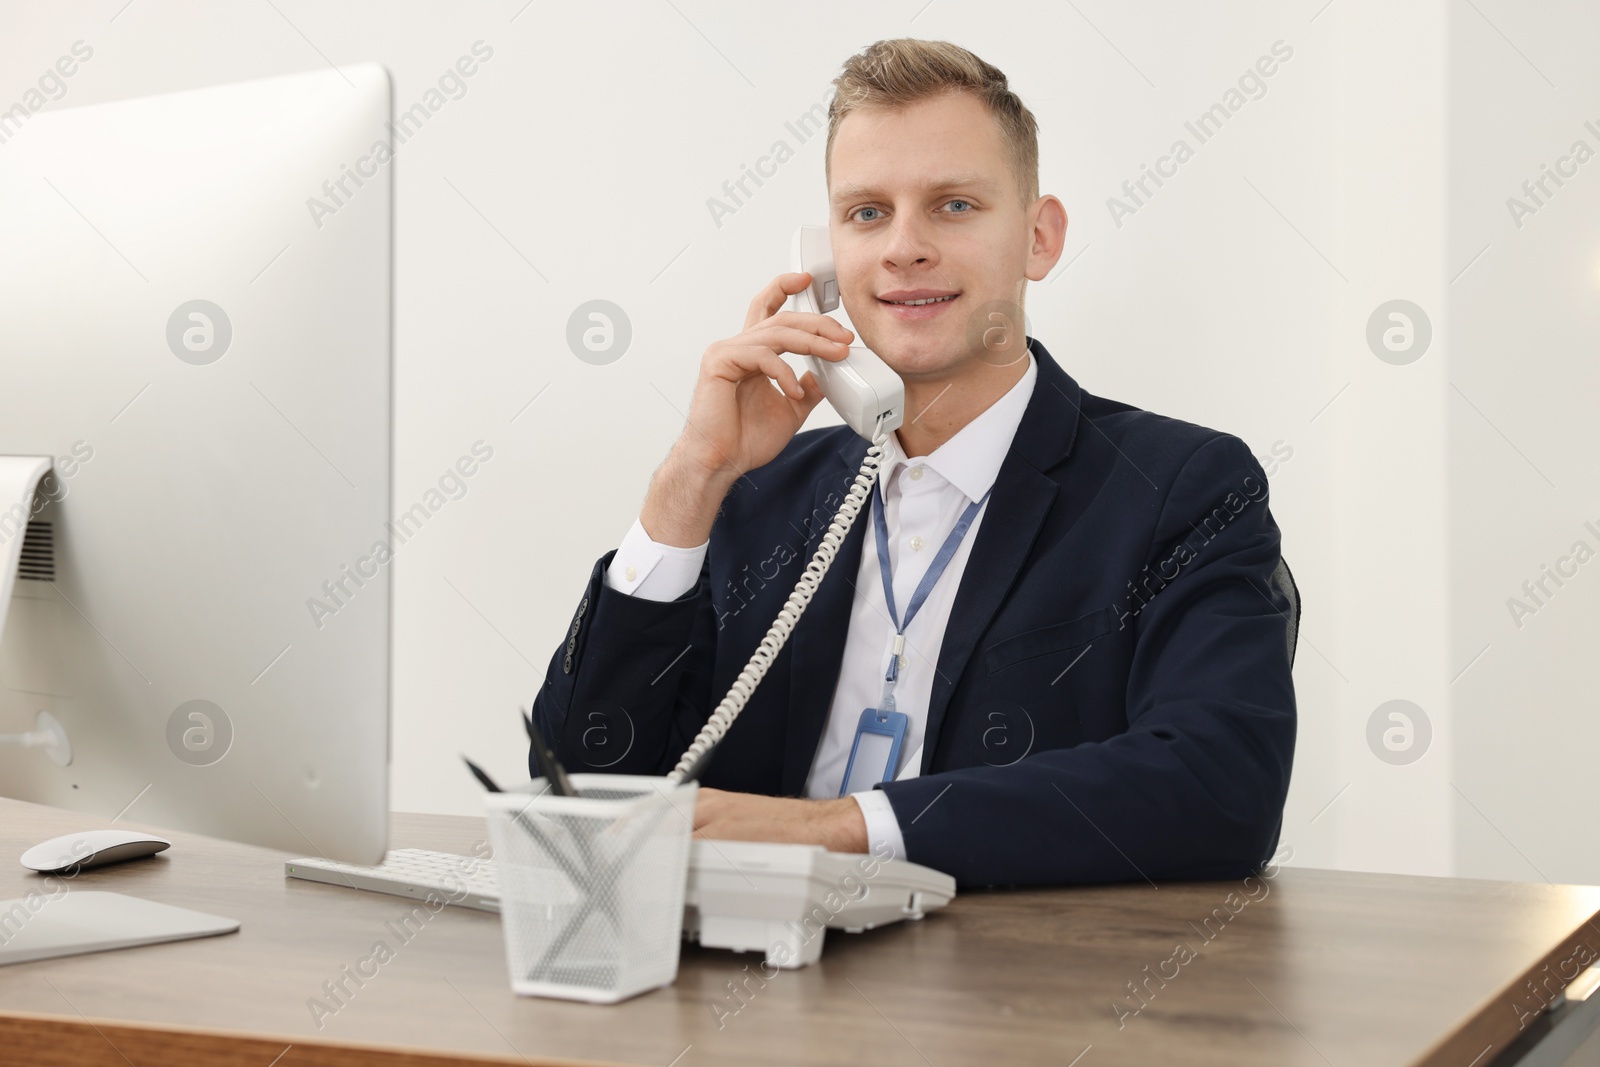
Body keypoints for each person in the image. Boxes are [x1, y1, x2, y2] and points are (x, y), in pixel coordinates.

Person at [531, 38, 1296, 888]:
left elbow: (1221, 785)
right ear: (824, 261)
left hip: (1015, 996)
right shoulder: (759, 495)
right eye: (866, 213)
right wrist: (692, 477)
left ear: (1038, 239)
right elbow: (574, 788)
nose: (903, 248)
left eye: (954, 205)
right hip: (748, 993)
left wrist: (838, 829)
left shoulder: (1179, 490)